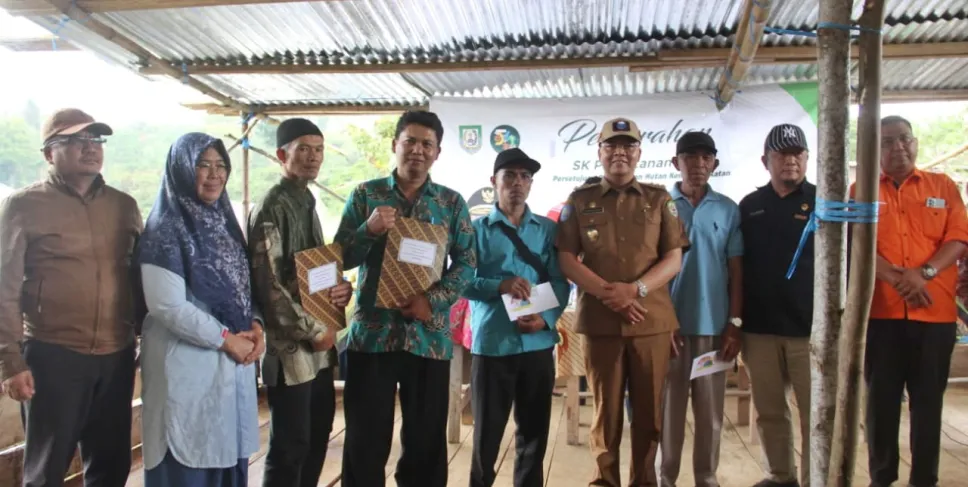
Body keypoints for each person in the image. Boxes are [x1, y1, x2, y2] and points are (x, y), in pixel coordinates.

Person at [0, 108, 143, 487]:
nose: (90, 148)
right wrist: (11, 362)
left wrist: (142, 337)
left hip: (116, 355)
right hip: (53, 356)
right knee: (46, 470)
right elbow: (5, 289)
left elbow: (140, 277)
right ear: (50, 153)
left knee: (111, 466)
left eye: (95, 139)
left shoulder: (123, 206)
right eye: (75, 140)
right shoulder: (24, 206)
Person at [334, 110, 476, 487]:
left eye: (426, 144)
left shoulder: (451, 203)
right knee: (364, 440)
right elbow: (341, 257)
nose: (417, 150)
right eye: (410, 141)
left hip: (428, 338)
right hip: (373, 336)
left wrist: (434, 301)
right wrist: (368, 229)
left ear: (437, 153)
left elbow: (467, 262)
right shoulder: (366, 195)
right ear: (394, 144)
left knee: (426, 443)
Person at [556, 117, 689, 487]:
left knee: (649, 416)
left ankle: (644, 481)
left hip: (651, 323)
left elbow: (673, 259)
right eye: (611, 145)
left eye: (628, 146)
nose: (620, 152)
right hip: (601, 324)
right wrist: (609, 293)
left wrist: (636, 290)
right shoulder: (580, 201)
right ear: (599, 152)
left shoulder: (659, 200)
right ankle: (604, 481)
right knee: (606, 414)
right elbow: (566, 259)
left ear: (639, 153)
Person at [137, 133, 262, 486]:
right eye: (203, 165)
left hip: (232, 366)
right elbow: (166, 304)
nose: (214, 174)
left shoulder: (224, 224)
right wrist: (227, 340)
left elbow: (243, 286)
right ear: (181, 169)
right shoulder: (165, 228)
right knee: (187, 461)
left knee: (226, 457)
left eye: (221, 165)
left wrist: (256, 326)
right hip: (187, 365)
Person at [247, 118, 353, 487]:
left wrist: (339, 289)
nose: (313, 157)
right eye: (303, 149)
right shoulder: (271, 206)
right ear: (282, 155)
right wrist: (314, 330)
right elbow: (269, 287)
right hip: (291, 347)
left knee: (318, 433)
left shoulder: (306, 198)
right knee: (290, 446)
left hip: (319, 344)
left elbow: (314, 271)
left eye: (319, 149)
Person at [863, 115, 968, 487]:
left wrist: (923, 273)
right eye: (888, 141)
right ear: (875, 149)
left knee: (928, 404)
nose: (898, 148)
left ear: (916, 143)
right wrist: (897, 278)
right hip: (881, 317)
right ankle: (881, 478)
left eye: (904, 139)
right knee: (881, 404)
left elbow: (958, 238)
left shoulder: (944, 186)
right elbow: (855, 244)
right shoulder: (861, 190)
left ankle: (924, 480)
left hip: (935, 317)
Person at [463, 148, 570, 487]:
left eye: (525, 177)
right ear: (493, 182)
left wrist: (545, 319)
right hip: (493, 345)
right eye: (509, 176)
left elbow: (560, 282)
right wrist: (500, 285)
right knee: (486, 435)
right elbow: (461, 282)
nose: (517, 183)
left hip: (537, 344)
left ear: (531, 184)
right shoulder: (475, 230)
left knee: (534, 434)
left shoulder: (548, 231)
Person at [659, 132, 743, 487]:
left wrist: (734, 324)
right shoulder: (660, 206)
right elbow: (650, 269)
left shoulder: (728, 209)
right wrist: (663, 323)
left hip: (714, 330)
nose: (698, 164)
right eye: (690, 157)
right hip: (670, 331)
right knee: (669, 412)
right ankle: (666, 478)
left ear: (715, 164)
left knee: (710, 414)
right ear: (675, 163)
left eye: (706, 158)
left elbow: (736, 271)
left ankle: (706, 478)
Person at [739, 124, 815, 487]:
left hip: (810, 332)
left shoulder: (824, 202)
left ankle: (817, 477)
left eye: (797, 153)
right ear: (765, 160)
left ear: (807, 158)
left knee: (816, 414)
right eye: (782, 153)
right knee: (769, 411)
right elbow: (737, 265)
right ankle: (780, 476)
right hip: (760, 330)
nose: (790, 160)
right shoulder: (749, 206)